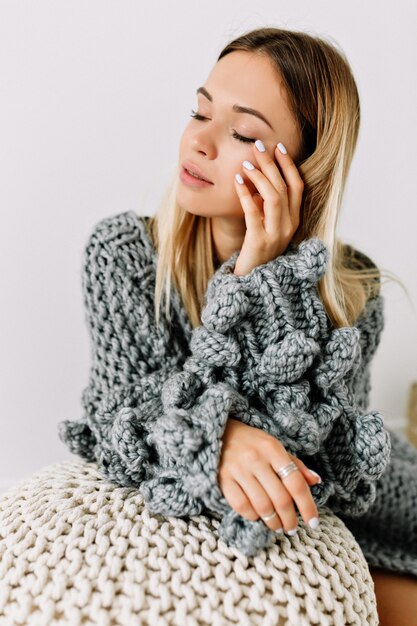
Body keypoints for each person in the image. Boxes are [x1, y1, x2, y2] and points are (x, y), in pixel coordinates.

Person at [59, 27, 417, 624]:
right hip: (308, 544)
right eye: (199, 110)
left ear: (303, 167)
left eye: (243, 132)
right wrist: (214, 437)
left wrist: (261, 275)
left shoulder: (354, 290)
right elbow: (120, 412)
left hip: (379, 512)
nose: (198, 141)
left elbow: (317, 461)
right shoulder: (123, 255)